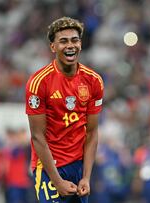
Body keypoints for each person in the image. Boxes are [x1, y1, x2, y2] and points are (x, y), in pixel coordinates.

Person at [25, 16, 104, 203]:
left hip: (78, 166)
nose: (70, 45)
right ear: (53, 47)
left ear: (81, 44)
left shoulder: (94, 81)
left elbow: (92, 132)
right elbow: (37, 136)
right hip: (48, 168)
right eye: (63, 41)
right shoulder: (39, 83)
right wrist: (57, 181)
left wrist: (86, 176)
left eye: (74, 40)